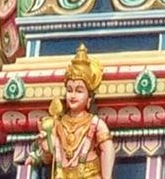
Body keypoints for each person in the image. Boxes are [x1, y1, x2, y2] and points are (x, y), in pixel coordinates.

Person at [33, 47, 114, 179]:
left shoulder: (95, 123)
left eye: (79, 90)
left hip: (89, 174)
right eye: (70, 90)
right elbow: (48, 157)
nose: (73, 95)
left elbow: (107, 150)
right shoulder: (58, 123)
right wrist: (44, 145)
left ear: (89, 98)